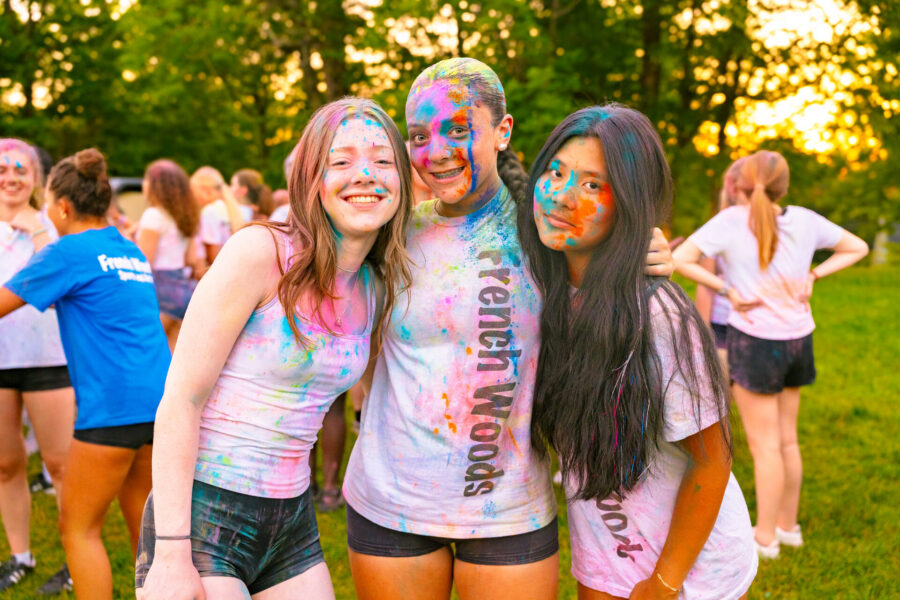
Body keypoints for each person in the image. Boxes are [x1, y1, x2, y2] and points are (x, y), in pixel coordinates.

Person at [342, 58, 672, 600]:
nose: (438, 151)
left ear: (503, 131)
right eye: (420, 135)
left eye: (458, 129)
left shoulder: (546, 228)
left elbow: (614, 254)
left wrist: (644, 249)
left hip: (509, 508)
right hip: (391, 500)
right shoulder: (390, 232)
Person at [135, 97, 413, 600]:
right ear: (311, 178)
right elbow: (180, 399)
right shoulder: (261, 253)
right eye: (342, 160)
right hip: (203, 515)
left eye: (382, 160)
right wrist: (171, 553)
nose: (365, 174)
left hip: (291, 520)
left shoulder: (372, 285)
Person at [518, 105, 757, 600]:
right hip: (609, 548)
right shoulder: (551, 288)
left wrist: (664, 585)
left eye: (591, 185)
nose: (562, 196)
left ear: (628, 201)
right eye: (556, 173)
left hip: (690, 568)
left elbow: (712, 463)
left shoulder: (656, 315)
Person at [674, 150, 869, 559]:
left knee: (765, 447)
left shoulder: (730, 222)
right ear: (784, 185)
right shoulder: (804, 219)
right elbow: (858, 247)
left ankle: (765, 539)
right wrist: (814, 274)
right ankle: (788, 526)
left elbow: (679, 259)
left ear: (740, 183)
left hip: (757, 343)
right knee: (786, 441)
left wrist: (728, 291)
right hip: (799, 340)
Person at [0, 148, 170, 599]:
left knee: (78, 527)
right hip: (159, 404)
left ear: (61, 207)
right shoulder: (126, 247)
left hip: (111, 409)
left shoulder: (68, 251)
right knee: (146, 533)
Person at [0, 139, 75, 594]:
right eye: (2, 168)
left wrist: (38, 231)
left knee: (60, 465)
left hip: (48, 360)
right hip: (0, 361)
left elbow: (62, 285)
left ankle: (72, 561)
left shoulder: (50, 225)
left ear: (36, 178)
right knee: (6, 466)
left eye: (19, 169)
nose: (10, 176)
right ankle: (20, 556)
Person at [136, 160, 200, 351]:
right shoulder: (185, 217)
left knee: (149, 352)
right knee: (173, 359)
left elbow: (144, 261)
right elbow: (190, 259)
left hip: (159, 291)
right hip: (182, 290)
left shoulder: (153, 216)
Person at [694, 158, 746, 374]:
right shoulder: (718, 228)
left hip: (763, 327)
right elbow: (705, 284)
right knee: (720, 399)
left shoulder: (775, 228)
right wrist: (702, 339)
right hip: (722, 328)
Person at [191, 166, 245, 263]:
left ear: (204, 190)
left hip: (218, 269)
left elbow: (212, 250)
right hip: (231, 265)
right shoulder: (230, 208)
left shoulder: (209, 211)